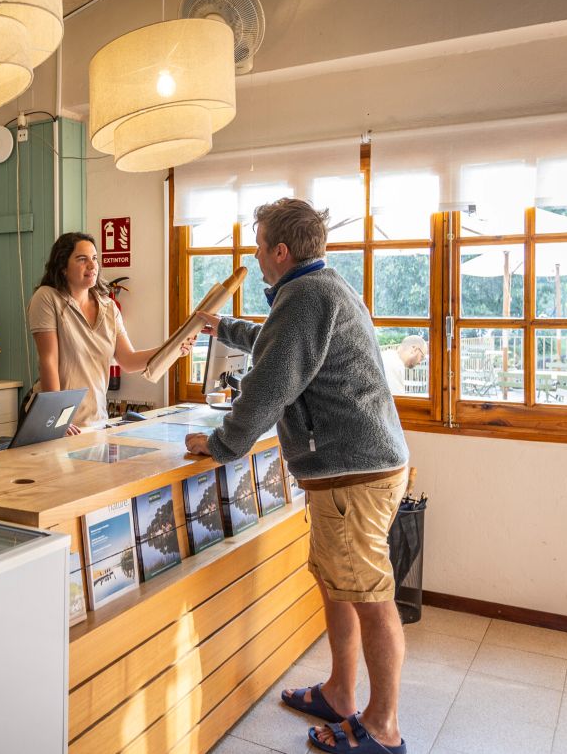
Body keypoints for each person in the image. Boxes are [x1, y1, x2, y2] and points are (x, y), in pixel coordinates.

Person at [185, 198, 410, 754]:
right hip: (356, 469)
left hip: (353, 475)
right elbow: (281, 342)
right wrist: (224, 326)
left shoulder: (306, 296)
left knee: (369, 595)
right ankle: (340, 693)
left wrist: (222, 444)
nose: (256, 255)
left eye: (259, 245)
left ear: (280, 250)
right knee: (341, 585)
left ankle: (383, 727)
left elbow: (268, 384)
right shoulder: (318, 287)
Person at [28, 232, 190, 431]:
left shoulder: (109, 308)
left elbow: (128, 360)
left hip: (95, 421)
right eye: (82, 259)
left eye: (94, 258)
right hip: (54, 421)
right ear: (63, 267)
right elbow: (49, 361)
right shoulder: (46, 297)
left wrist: (173, 347)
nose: (92, 265)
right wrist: (58, 418)